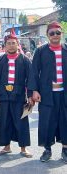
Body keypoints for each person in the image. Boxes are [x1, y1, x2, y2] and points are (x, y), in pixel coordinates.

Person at [0, 29, 34, 158]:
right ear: (5, 45)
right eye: (8, 43)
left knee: (21, 121)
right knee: (4, 121)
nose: (11, 45)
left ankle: (23, 148)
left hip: (19, 95)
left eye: (13, 43)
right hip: (3, 95)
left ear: (17, 44)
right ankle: (6, 146)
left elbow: (30, 79)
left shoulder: (25, 60)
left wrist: (30, 95)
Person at [28, 21, 67, 163]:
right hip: (46, 94)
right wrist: (34, 91)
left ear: (61, 34)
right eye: (52, 33)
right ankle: (47, 150)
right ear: (47, 35)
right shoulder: (40, 51)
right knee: (47, 122)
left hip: (65, 94)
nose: (55, 35)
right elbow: (34, 72)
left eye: (58, 33)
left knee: (65, 120)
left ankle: (65, 149)